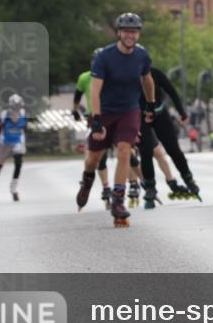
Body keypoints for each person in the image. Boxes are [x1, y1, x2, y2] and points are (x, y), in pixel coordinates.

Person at [75, 12, 155, 227]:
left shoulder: (142, 56)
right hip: (105, 111)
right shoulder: (104, 57)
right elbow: (95, 90)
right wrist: (97, 119)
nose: (131, 35)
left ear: (138, 34)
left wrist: (150, 104)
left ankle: (118, 200)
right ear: (119, 33)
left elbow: (147, 79)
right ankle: (86, 181)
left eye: (134, 32)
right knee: (93, 158)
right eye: (127, 31)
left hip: (129, 111)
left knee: (124, 150)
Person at [136, 66, 199, 205]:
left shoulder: (155, 73)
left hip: (159, 114)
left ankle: (188, 178)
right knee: (145, 150)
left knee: (173, 149)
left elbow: (171, 91)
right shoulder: (128, 76)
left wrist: (182, 112)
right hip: (140, 116)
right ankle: (150, 187)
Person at [73, 56, 112, 207]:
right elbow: (77, 97)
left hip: (111, 115)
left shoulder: (111, 75)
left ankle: (139, 183)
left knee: (127, 151)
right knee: (98, 156)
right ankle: (103, 186)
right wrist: (75, 111)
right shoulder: (84, 77)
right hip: (93, 117)